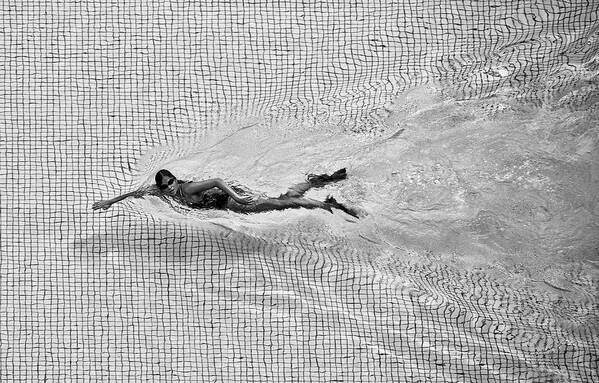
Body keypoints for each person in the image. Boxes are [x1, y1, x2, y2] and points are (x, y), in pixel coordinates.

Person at [92, 168, 361, 218]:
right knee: (280, 199)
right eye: (166, 186)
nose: (171, 188)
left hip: (232, 202)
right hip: (228, 201)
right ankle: (314, 182)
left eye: (172, 182)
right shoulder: (159, 191)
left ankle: (328, 205)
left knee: (281, 205)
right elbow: (133, 193)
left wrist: (237, 198)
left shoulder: (187, 188)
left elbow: (218, 180)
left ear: (175, 180)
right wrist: (109, 202)